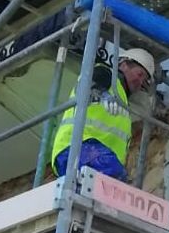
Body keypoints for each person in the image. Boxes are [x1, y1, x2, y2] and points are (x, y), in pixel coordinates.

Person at [51, 47, 155, 182]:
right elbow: (90, 83)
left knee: (115, 182)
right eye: (139, 74)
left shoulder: (123, 100)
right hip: (78, 147)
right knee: (114, 178)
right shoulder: (106, 74)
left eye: (144, 80)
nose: (140, 82)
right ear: (123, 64)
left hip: (92, 155)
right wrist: (102, 94)